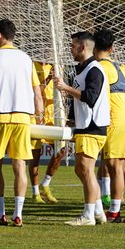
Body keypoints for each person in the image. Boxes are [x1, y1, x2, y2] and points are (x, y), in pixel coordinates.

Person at [0, 19, 43, 227]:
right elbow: (38, 94)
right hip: (23, 118)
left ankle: (0, 213)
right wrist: (39, 117)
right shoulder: (27, 59)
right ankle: (18, 214)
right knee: (20, 166)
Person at [54, 31, 109, 226]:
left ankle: (88, 215)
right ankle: (99, 212)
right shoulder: (83, 70)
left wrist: (65, 88)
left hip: (93, 127)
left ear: (83, 47)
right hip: (84, 126)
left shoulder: (95, 69)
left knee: (86, 170)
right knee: (81, 170)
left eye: (73, 45)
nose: (70, 49)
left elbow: (91, 98)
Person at [94, 29, 125, 223]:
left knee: (114, 166)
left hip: (117, 120)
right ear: (112, 48)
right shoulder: (122, 67)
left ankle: (114, 212)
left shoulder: (100, 67)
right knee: (123, 167)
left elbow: (100, 97)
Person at [29, 60, 65, 204]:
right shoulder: (31, 66)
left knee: (61, 150)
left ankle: (46, 183)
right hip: (37, 116)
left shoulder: (55, 66)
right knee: (35, 156)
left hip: (53, 117)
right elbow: (34, 91)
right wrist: (49, 77)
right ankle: (35, 192)